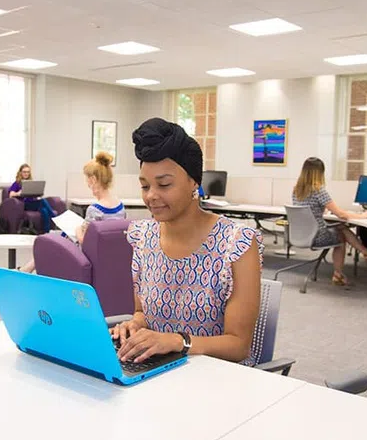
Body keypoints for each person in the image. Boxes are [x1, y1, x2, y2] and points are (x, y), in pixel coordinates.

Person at [111, 118, 262, 365]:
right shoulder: (143, 238)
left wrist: (178, 341)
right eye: (145, 185)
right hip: (158, 370)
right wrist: (134, 325)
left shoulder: (236, 244)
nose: (151, 196)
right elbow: (142, 312)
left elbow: (238, 345)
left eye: (164, 184)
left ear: (194, 182)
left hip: (219, 380)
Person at [18, 152, 125, 273]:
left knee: (49, 242)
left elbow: (84, 240)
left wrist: (78, 228)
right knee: (59, 235)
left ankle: (27, 270)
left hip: (90, 257)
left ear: (93, 180)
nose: (87, 184)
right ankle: (27, 268)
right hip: (108, 256)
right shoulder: (120, 206)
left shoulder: (95, 210)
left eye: (87, 180)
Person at [292, 157, 367, 287]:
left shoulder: (297, 189)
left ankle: (365, 256)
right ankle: (362, 258)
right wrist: (364, 215)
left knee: (340, 227)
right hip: (317, 236)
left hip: (302, 234)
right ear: (320, 173)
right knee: (341, 235)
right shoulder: (318, 190)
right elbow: (341, 214)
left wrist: (320, 211)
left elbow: (307, 209)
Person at [8, 164, 55, 233]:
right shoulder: (17, 183)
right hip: (24, 205)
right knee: (43, 201)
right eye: (24, 172)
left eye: (28, 172)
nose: (26, 173)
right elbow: (11, 195)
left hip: (33, 203)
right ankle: (55, 218)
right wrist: (18, 193)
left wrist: (38, 193)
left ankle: (46, 232)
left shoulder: (31, 183)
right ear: (20, 172)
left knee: (44, 210)